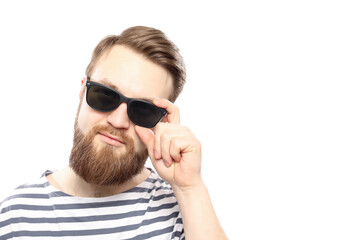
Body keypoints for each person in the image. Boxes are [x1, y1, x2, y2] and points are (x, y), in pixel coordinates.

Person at [0, 26, 227, 239]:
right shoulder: (15, 216)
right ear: (82, 91)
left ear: (162, 122)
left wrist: (190, 188)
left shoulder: (183, 210)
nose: (118, 121)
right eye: (105, 95)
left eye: (143, 109)